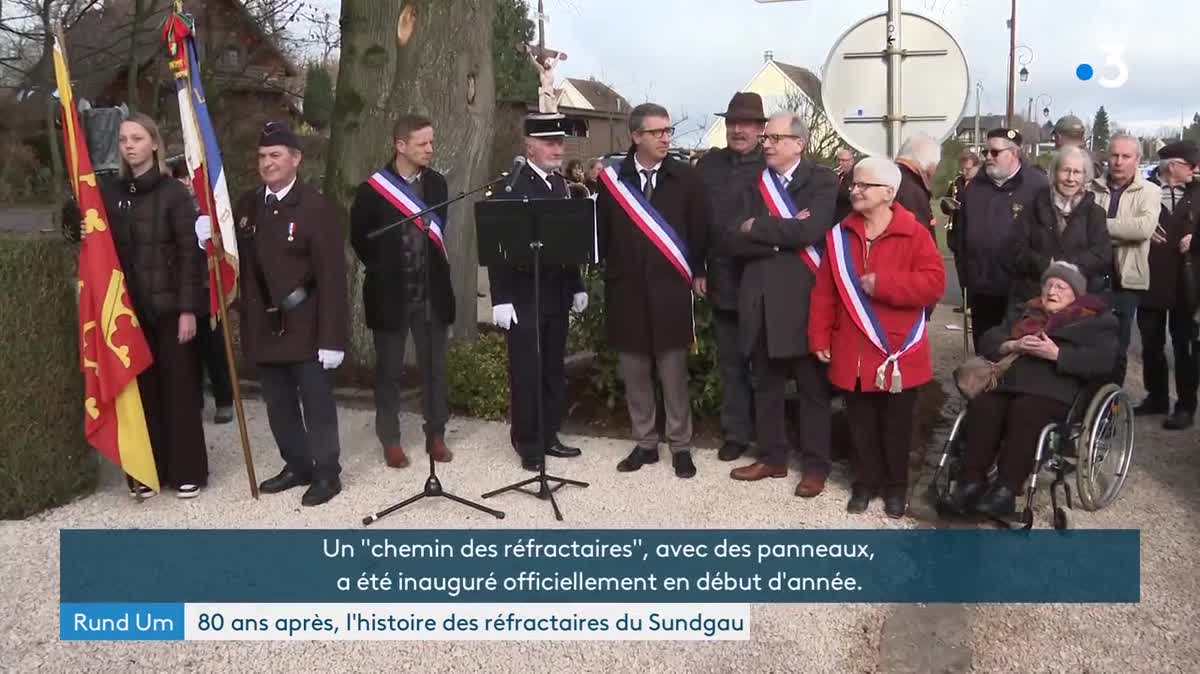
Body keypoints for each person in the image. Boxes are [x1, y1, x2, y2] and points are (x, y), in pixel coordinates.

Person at [206, 122, 349, 506]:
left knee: (316, 405)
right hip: (264, 324)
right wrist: (207, 233)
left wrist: (333, 338)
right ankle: (297, 464)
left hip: (305, 323)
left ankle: (326, 473)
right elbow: (232, 257)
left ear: (296, 159)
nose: (267, 163)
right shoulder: (249, 205)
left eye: (275, 156)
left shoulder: (315, 207)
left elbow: (333, 276)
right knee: (279, 405)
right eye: (262, 157)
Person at [809, 157, 945, 518]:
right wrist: (819, 336)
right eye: (853, 184)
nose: (854, 190)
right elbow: (825, 291)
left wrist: (886, 285)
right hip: (852, 348)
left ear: (888, 192)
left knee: (897, 426)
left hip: (897, 351)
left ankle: (896, 488)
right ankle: (864, 484)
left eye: (863, 185)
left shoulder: (915, 234)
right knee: (860, 425)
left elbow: (934, 285)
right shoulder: (839, 236)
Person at [941, 262, 1117, 518]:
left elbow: (1103, 361)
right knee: (984, 406)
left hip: (1055, 388)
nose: (1052, 291)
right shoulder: (1026, 310)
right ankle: (971, 483)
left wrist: (1058, 354)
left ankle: (1006, 490)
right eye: (1049, 284)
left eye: (1061, 286)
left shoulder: (1095, 320)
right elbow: (988, 339)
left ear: (1076, 294)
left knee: (1026, 411)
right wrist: (1012, 344)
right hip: (1010, 383)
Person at [723, 111, 838, 497]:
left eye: (775, 137)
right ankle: (771, 457)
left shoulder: (822, 180)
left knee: (812, 392)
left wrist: (759, 227)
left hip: (805, 303)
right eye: (766, 137)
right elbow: (731, 237)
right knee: (765, 387)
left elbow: (811, 229)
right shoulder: (748, 180)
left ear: (799, 144)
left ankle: (815, 466)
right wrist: (778, 236)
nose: (766, 143)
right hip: (759, 301)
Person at [94, 113, 208, 499]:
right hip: (130, 312)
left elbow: (190, 255)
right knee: (142, 394)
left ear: (154, 143)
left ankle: (187, 470)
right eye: (124, 139)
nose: (129, 145)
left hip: (173, 310)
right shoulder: (110, 193)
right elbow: (91, 230)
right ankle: (147, 468)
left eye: (137, 138)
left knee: (179, 390)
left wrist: (189, 309)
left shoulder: (173, 194)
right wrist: (71, 222)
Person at [596, 102, 710, 478]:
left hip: (670, 288)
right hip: (626, 288)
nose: (666, 138)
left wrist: (699, 271)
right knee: (635, 370)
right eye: (657, 132)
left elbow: (699, 231)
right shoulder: (613, 181)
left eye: (668, 131)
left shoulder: (685, 177)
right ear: (636, 137)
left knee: (672, 369)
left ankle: (680, 446)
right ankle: (645, 443)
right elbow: (602, 233)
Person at [349, 114, 455, 470]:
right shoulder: (371, 190)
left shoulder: (437, 184)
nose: (430, 149)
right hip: (391, 295)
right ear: (400, 146)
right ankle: (390, 439)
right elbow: (360, 240)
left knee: (434, 369)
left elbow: (439, 232)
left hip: (431, 295)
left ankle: (435, 433)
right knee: (389, 372)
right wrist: (386, 269)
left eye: (431, 142)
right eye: (422, 143)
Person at [488, 113, 587, 471]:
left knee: (552, 369)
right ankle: (528, 442)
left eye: (559, 142)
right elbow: (497, 246)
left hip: (555, 292)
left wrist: (576, 285)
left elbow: (567, 242)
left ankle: (550, 434)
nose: (557, 149)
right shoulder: (511, 187)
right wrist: (499, 297)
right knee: (527, 369)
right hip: (522, 293)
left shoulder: (560, 186)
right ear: (530, 146)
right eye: (549, 143)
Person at [695, 92, 767, 462]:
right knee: (732, 363)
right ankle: (737, 433)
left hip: (764, 281)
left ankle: (770, 439)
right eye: (733, 123)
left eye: (746, 123)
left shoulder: (774, 166)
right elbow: (695, 223)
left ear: (761, 128)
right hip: (722, 278)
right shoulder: (709, 166)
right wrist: (697, 268)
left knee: (767, 366)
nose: (738, 129)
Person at [953, 128, 1049, 348]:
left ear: (1014, 154)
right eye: (986, 152)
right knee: (986, 348)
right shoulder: (974, 188)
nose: (988, 157)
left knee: (1018, 350)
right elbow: (961, 235)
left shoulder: (1037, 187)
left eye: (995, 152)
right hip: (982, 287)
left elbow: (1046, 237)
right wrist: (965, 276)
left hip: (1022, 290)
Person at [1088, 133, 1161, 386]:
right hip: (1090, 277)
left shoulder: (1150, 191)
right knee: (1086, 343)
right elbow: (1078, 229)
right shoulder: (1091, 187)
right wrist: (1121, 232)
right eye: (1114, 155)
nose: (1118, 161)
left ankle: (1110, 408)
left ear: (1137, 159)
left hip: (1126, 281)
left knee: (1117, 349)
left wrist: (1099, 228)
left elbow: (1142, 230)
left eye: (1125, 156)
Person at [1136, 141, 1200, 430]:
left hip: (1187, 285)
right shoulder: (1143, 189)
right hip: (1150, 280)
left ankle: (1186, 405)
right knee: (1151, 344)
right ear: (1172, 165)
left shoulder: (1197, 193)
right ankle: (1157, 395)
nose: (1195, 170)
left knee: (1184, 347)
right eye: (1191, 164)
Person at [169, 158, 234, 425]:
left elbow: (226, 244)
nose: (185, 182)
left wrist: (210, 237)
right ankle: (193, 398)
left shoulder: (209, 208)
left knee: (214, 347)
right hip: (179, 288)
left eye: (188, 177)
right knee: (187, 351)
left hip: (206, 290)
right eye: (179, 177)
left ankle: (224, 400)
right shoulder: (170, 206)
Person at [1009, 146, 1112, 303]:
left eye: (1077, 172)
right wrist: (1046, 264)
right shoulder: (1032, 208)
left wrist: (1066, 267)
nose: (1070, 178)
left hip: (1079, 300)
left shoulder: (1095, 213)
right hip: (1034, 297)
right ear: (1055, 173)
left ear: (1085, 176)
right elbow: (1017, 250)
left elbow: (1102, 255)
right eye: (1066, 170)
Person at [893, 133, 940, 241]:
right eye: (935, 165)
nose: (934, 171)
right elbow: (919, 241)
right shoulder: (913, 190)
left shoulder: (890, 180)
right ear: (928, 164)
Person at [833, 147, 855, 223]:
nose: (840, 163)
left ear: (851, 161)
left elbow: (847, 195)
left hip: (848, 216)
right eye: (838, 160)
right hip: (835, 216)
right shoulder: (837, 175)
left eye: (843, 160)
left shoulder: (856, 176)